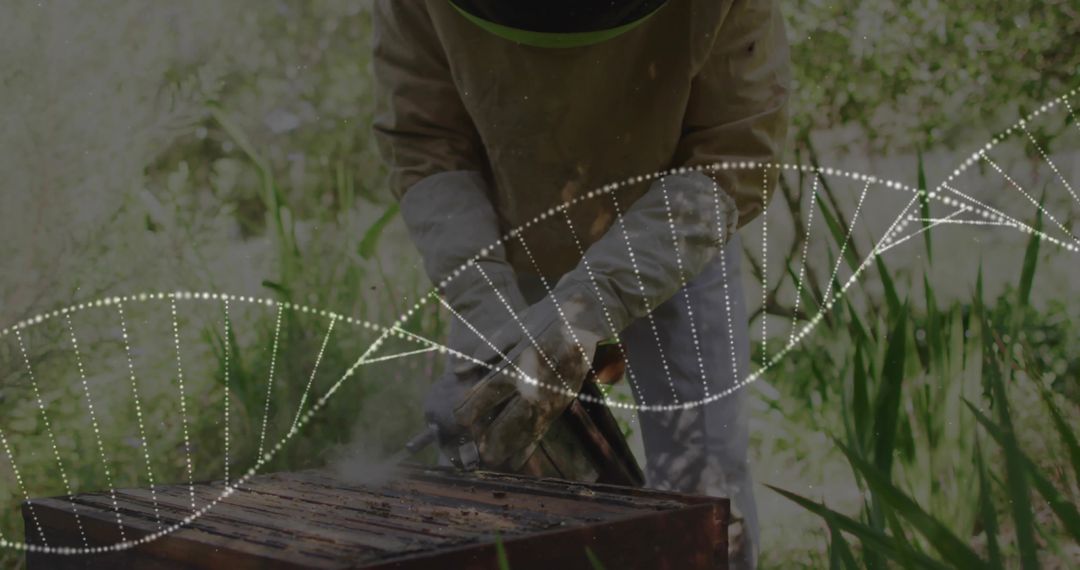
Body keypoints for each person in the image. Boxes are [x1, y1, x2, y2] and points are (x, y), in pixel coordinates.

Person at [373, 1, 789, 567]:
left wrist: (595, 301)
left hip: (675, 228)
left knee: (705, 485)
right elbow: (426, 136)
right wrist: (486, 309)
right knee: (488, 469)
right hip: (500, 240)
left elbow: (732, 149)